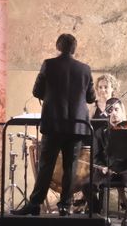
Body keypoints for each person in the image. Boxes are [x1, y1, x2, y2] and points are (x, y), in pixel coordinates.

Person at [17, 33, 95, 215]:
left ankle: (35, 204)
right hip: (76, 126)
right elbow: (91, 97)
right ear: (74, 48)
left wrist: (51, 95)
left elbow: (36, 91)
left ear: (58, 47)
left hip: (53, 124)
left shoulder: (49, 64)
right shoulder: (85, 69)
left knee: (46, 166)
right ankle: (65, 206)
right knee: (71, 167)